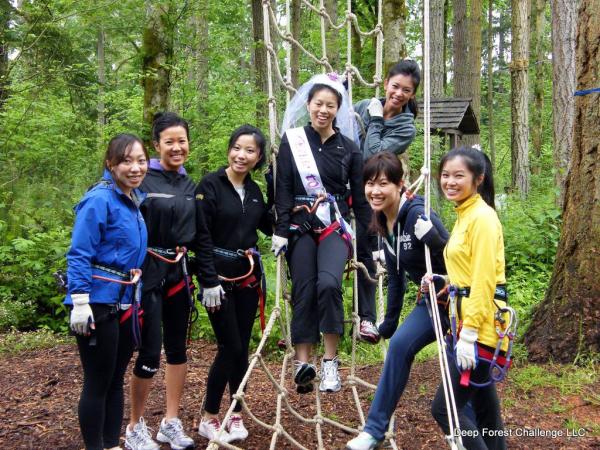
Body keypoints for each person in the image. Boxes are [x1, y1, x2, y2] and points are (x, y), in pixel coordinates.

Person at [272, 73, 372, 394]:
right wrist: (281, 229)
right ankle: (304, 364)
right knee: (303, 287)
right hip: (300, 225)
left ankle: (330, 362)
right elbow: (284, 187)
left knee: (328, 284)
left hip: (334, 225)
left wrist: (372, 237)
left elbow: (359, 197)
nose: (323, 110)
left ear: (338, 109)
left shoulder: (350, 149)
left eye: (330, 105)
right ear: (309, 105)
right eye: (318, 104)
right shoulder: (293, 140)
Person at [345, 152, 449, 450]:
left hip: (457, 301)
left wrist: (437, 241)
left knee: (464, 390)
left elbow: (455, 254)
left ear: (400, 185)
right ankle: (373, 431)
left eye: (383, 184)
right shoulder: (383, 223)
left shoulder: (417, 213)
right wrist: (387, 325)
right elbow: (396, 278)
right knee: (400, 346)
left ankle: (481, 440)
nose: (375, 191)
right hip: (430, 303)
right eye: (369, 184)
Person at [126, 112, 214, 450]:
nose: (177, 148)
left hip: (179, 276)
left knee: (178, 350)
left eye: (182, 141)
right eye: (170, 142)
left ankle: (170, 422)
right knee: (149, 352)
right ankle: (135, 426)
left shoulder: (190, 186)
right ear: (156, 145)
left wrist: (208, 279)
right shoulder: (141, 179)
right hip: (146, 276)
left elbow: (200, 235)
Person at [65, 134, 148, 450]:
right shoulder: (99, 200)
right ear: (110, 164)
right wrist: (80, 300)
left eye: (140, 160)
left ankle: (112, 443)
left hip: (124, 298)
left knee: (115, 379)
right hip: (97, 301)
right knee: (98, 381)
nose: (135, 167)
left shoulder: (132, 199)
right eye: (126, 161)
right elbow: (80, 252)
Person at [195, 125, 272, 444]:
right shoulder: (209, 186)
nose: (242, 155)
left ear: (258, 158)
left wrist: (280, 189)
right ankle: (209, 416)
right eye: (237, 148)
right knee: (231, 346)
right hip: (219, 280)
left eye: (250, 151)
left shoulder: (254, 191)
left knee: (242, 348)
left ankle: (236, 412)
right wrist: (208, 281)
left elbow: (269, 224)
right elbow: (200, 235)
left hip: (247, 279)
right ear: (229, 149)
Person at [430, 147, 509, 450]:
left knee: (446, 408)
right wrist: (446, 281)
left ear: (478, 179)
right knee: (485, 409)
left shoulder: (483, 218)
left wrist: (471, 332)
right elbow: (470, 267)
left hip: (480, 328)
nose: (449, 182)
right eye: (445, 175)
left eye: (458, 176)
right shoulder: (465, 214)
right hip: (469, 323)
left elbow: (486, 278)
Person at [352, 60, 421, 343]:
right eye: (395, 86)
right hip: (344, 185)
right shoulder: (364, 105)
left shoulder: (406, 128)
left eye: (406, 90)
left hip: (373, 194)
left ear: (412, 94)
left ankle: (368, 319)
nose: (399, 93)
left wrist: (377, 119)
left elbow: (373, 155)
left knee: (368, 252)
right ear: (386, 84)